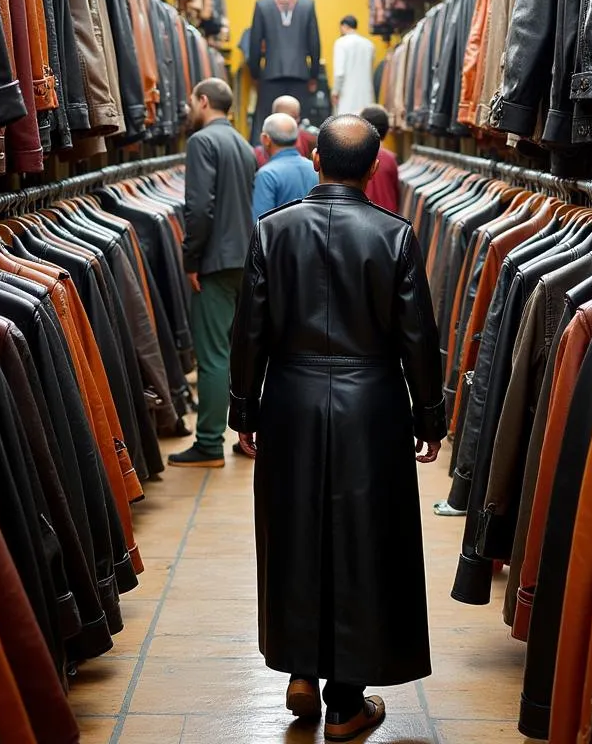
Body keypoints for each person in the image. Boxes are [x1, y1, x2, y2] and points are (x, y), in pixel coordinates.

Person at [228, 115, 446, 742]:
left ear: (313, 158)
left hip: (291, 400)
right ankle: (346, 703)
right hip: (371, 407)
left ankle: (300, 667)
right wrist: (429, 415)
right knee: (363, 542)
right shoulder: (394, 236)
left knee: (293, 530)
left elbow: (251, 329)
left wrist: (245, 410)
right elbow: (417, 337)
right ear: (375, 167)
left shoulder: (273, 232)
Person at [170, 78, 256, 469]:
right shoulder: (241, 143)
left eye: (191, 102)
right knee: (236, 351)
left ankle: (208, 442)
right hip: (243, 257)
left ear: (203, 101)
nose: (189, 108)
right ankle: (242, 431)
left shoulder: (202, 142)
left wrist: (191, 260)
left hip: (215, 261)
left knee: (213, 355)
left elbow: (199, 208)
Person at [247, 0, 322, 145]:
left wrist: (256, 74)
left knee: (265, 122)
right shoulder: (307, 4)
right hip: (300, 74)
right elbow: (314, 42)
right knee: (299, 123)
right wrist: (313, 75)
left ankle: (261, 163)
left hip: (271, 74)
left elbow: (254, 43)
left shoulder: (262, 4)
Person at [252, 113, 319, 221]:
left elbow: (260, 226)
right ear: (297, 138)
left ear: (265, 139)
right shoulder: (314, 169)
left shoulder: (267, 175)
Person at [252, 95, 317, 169]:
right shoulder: (257, 154)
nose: (295, 121)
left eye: (295, 118)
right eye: (293, 117)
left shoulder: (308, 139)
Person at [359, 104, 400, 213]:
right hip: (389, 220)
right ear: (386, 130)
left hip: (361, 217)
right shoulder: (391, 159)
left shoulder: (355, 155)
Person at [332, 16, 375, 116]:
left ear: (344, 26)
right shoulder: (369, 45)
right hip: (366, 95)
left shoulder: (341, 43)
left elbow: (340, 72)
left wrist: (335, 91)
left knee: (346, 124)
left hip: (347, 95)